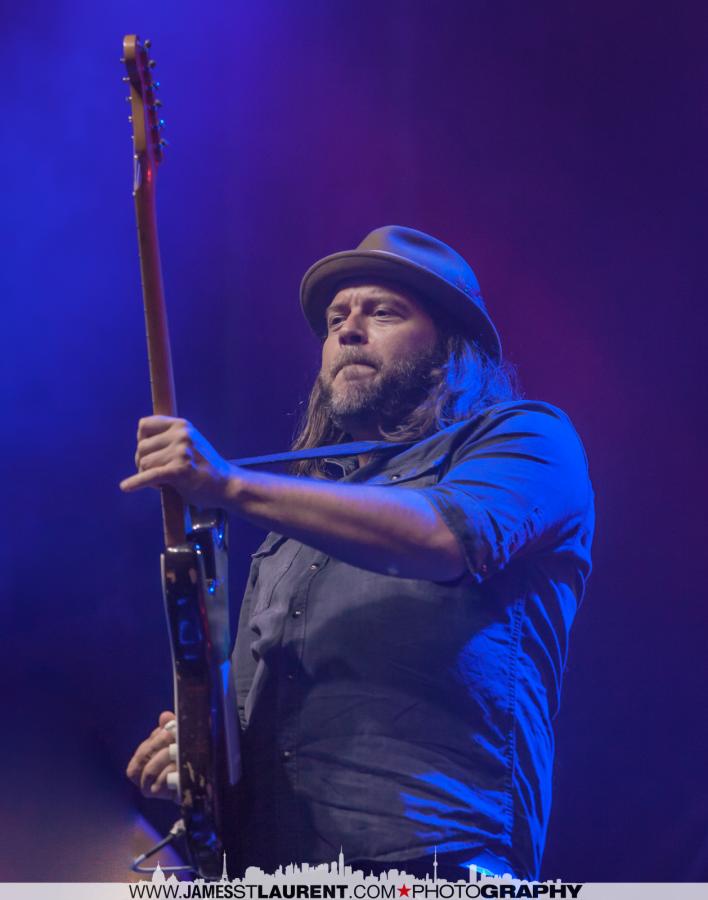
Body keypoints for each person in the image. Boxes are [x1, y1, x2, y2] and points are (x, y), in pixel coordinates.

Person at [124, 226, 594, 882]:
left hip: (436, 865)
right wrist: (201, 754)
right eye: (336, 318)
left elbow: (443, 537)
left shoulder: (529, 439)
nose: (348, 330)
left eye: (383, 312)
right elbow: (255, 725)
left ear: (451, 347)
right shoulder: (289, 535)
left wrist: (230, 484)